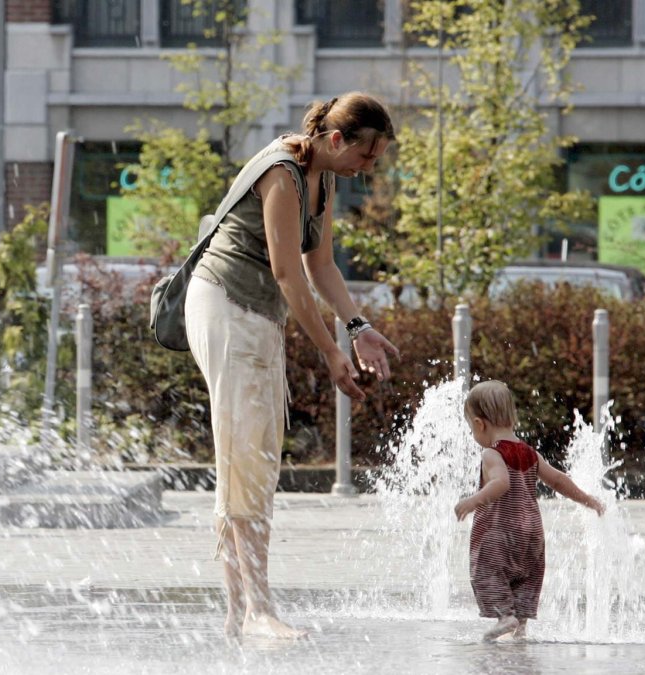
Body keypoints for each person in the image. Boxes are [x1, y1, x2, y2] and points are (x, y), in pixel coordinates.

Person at [184, 92, 400, 640]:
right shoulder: (283, 173)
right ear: (336, 139)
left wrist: (358, 328)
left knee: (252, 456)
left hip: (256, 314)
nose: (367, 168)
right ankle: (257, 611)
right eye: (366, 155)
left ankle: (240, 613)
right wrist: (330, 352)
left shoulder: (323, 178)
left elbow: (321, 266)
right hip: (226, 306)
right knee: (246, 453)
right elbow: (287, 273)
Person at [453, 380, 605, 642]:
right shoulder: (530, 453)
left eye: (471, 428)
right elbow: (558, 480)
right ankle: (520, 627)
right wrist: (588, 500)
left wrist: (473, 500)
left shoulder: (492, 454)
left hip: (500, 532)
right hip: (532, 533)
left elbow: (501, 482)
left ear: (479, 424)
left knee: (486, 570)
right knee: (524, 577)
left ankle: (505, 617)